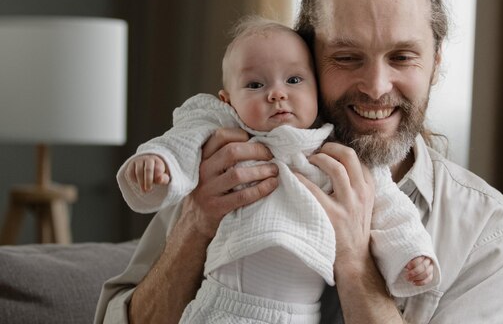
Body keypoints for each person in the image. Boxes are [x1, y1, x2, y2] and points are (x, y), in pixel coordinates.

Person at [95, 0, 503, 323]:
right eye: (346, 57)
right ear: (307, 58)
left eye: (402, 57)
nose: (377, 87)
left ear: (435, 65)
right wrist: (195, 224)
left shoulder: (490, 234)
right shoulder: (219, 164)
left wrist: (357, 265)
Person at [111, 16, 439, 323]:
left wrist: (412, 254)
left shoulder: (344, 157)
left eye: (294, 80)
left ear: (316, 90)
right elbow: (180, 142)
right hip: (224, 302)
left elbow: (393, 209)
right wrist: (157, 162)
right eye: (254, 85)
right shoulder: (223, 139)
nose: (277, 94)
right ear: (227, 101)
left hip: (298, 314)